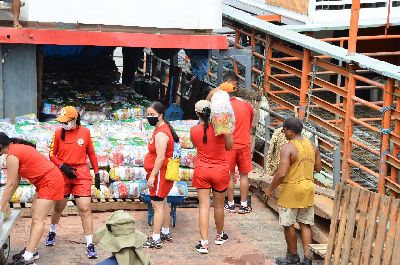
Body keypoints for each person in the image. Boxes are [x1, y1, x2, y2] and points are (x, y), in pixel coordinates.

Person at [44, 106, 100, 259]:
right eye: (61, 122)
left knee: (85, 208)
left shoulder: (85, 132)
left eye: (66, 121)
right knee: (59, 207)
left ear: (75, 120)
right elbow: (51, 154)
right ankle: (52, 231)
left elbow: (92, 153)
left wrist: (97, 172)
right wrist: (62, 166)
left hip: (80, 173)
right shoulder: (57, 133)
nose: (63, 124)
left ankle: (89, 243)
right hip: (62, 173)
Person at [0, 132, 64, 265]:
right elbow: (15, 182)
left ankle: (28, 257)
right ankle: (32, 250)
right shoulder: (15, 149)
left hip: (50, 181)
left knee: (38, 219)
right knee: (34, 213)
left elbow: (11, 184)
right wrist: (4, 202)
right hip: (44, 181)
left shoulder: (12, 156)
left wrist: (1, 206)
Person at [265, 117, 322, 265]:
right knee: (305, 224)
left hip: (291, 190)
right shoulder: (312, 146)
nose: (283, 132)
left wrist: (270, 189)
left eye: (284, 130)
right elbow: (318, 168)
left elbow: (282, 173)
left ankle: (293, 257)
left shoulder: (288, 147)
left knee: (288, 224)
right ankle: (308, 260)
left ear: (290, 131)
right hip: (307, 189)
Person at [190, 100, 233, 254]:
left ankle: (203, 243)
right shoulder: (221, 128)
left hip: (202, 169)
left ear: (197, 113)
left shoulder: (194, 130)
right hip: (220, 170)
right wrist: (227, 130)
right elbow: (229, 146)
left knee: (203, 206)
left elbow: (195, 145)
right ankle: (220, 236)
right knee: (219, 205)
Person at [142, 101, 179, 249]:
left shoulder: (161, 133)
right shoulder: (160, 129)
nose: (149, 117)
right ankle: (165, 231)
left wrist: (152, 176)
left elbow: (161, 157)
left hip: (159, 175)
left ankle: (156, 238)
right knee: (163, 202)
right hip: (161, 174)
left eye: (152, 114)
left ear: (161, 115)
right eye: (148, 114)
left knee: (156, 205)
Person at [217, 71, 254, 214]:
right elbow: (250, 125)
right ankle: (244, 204)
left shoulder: (223, 107)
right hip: (244, 144)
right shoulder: (248, 106)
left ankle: (231, 204)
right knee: (244, 175)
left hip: (228, 145)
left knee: (230, 175)